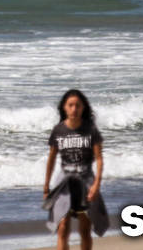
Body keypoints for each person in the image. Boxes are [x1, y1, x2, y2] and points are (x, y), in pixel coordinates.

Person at [43, 89, 107, 250]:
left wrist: (96, 185)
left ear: (83, 108)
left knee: (85, 229)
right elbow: (51, 159)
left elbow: (99, 159)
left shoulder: (91, 130)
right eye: (70, 105)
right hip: (64, 181)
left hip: (86, 180)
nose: (74, 109)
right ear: (64, 108)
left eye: (77, 105)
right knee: (62, 227)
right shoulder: (58, 130)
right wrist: (46, 186)